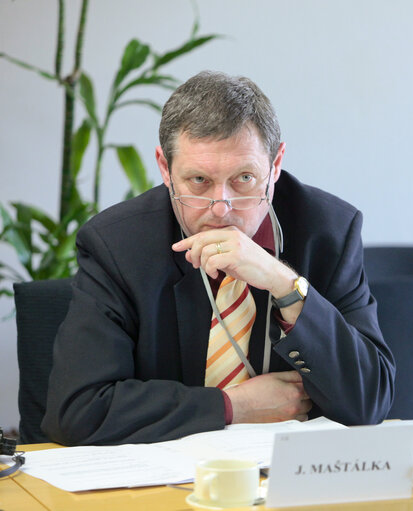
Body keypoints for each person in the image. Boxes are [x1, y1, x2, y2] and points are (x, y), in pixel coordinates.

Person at [42, 71, 395, 445]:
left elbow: (370, 401)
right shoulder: (118, 245)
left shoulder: (329, 232)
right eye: (198, 181)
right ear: (165, 169)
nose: (221, 209)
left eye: (244, 178)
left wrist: (285, 285)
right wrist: (230, 406)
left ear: (275, 166)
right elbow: (77, 411)